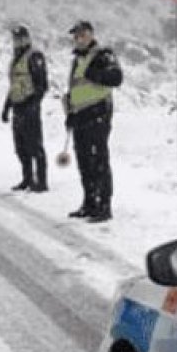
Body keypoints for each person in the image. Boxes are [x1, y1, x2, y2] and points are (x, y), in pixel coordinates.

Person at [63, 20, 123, 223]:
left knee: (99, 161)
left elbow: (116, 78)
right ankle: (89, 203)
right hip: (80, 116)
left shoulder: (102, 55)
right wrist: (70, 113)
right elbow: (75, 89)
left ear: (90, 34)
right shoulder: (77, 60)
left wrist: (95, 74)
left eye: (82, 35)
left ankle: (104, 206)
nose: (78, 39)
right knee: (84, 162)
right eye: (76, 36)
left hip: (98, 114)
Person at [1, 24, 49, 192]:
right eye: (15, 39)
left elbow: (42, 85)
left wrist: (34, 104)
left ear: (27, 39)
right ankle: (27, 179)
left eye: (20, 38)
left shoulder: (34, 56)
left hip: (30, 107)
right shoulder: (15, 61)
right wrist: (6, 108)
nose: (17, 42)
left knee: (35, 146)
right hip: (18, 108)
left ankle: (41, 182)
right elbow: (14, 86)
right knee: (21, 148)